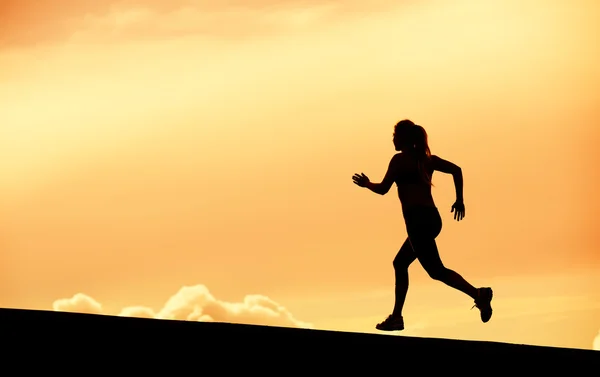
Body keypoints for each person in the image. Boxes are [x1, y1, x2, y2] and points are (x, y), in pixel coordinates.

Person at [352, 119, 493, 331]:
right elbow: (457, 170)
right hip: (432, 219)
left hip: (417, 221)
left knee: (437, 271)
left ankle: (478, 294)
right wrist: (459, 200)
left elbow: (383, 189)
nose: (393, 139)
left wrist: (366, 184)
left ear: (403, 138)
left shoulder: (399, 161)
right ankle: (397, 315)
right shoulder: (427, 160)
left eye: (395, 135)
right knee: (400, 263)